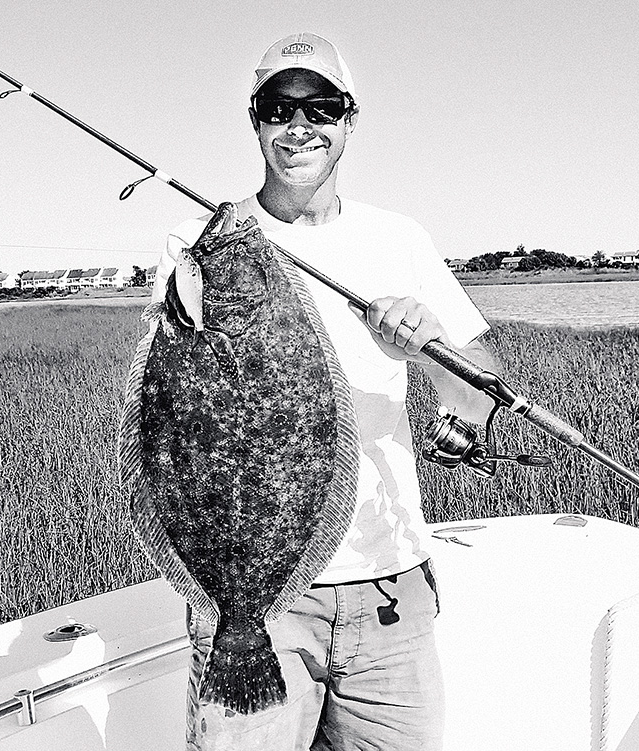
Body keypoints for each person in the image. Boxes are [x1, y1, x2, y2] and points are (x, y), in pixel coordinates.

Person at [151, 31, 498, 751]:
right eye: (279, 108)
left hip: (387, 586)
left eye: (321, 107)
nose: (299, 124)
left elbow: (482, 385)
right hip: (253, 603)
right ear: (256, 120)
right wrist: (212, 264)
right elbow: (169, 411)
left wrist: (431, 356)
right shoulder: (199, 243)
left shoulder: (397, 238)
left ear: (349, 118)